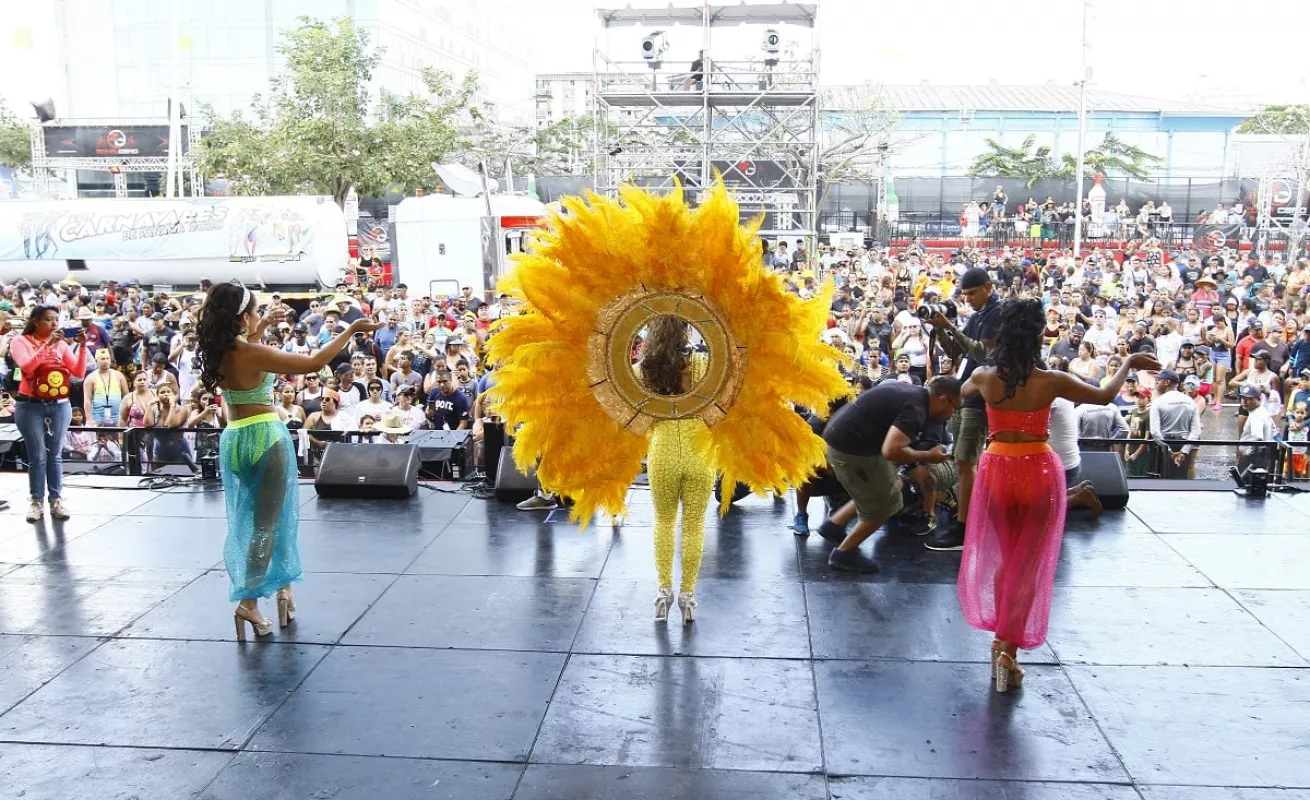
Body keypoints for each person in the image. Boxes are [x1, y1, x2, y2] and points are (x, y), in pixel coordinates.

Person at [958, 298, 1159, 693]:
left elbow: (962, 386)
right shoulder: (1050, 381)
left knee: (1005, 559)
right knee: (1027, 566)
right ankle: (1006, 651)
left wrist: (984, 361)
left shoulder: (984, 376)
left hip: (997, 468)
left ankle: (1001, 641)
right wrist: (1128, 364)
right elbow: (1104, 396)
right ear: (1037, 336)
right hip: (1036, 469)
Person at [194, 281, 379, 641]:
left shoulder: (218, 349)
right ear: (242, 316)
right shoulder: (251, 353)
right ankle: (249, 602)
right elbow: (315, 361)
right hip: (265, 436)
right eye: (254, 312)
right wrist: (352, 329)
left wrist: (260, 326)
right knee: (268, 525)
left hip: (235, 438)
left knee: (261, 519)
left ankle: (282, 590)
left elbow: (247, 352)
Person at [813, 377, 963, 572]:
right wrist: (928, 455)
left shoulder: (914, 394)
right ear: (943, 399)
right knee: (888, 504)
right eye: (955, 407)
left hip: (842, 441)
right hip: (850, 449)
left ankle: (834, 525)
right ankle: (844, 553)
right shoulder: (916, 409)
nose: (953, 414)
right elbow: (891, 450)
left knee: (885, 487)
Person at [637, 317, 717, 623]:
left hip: (662, 452)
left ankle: (663, 591)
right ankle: (688, 596)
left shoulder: (644, 371)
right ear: (685, 330)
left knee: (664, 522)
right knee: (694, 526)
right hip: (700, 452)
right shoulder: (704, 364)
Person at [923, 267, 1002, 551]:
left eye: (972, 293)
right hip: (966, 392)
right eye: (965, 294)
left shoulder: (997, 313)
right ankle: (968, 518)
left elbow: (984, 353)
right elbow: (959, 351)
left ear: (988, 287)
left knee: (966, 461)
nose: (967, 299)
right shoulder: (980, 315)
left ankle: (965, 527)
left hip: (979, 397)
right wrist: (941, 329)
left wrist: (951, 327)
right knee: (963, 461)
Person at [9, 305, 88, 521]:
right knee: (37, 455)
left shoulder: (62, 344)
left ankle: (56, 500)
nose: (54, 324)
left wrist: (81, 347)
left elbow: (78, 373)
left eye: (56, 319)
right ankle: (36, 501)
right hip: (30, 404)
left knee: (55, 454)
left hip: (59, 404)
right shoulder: (20, 341)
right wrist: (48, 346)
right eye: (49, 319)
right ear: (36, 321)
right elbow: (27, 368)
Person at [1150, 369, 1203, 479]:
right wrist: (1184, 451)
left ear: (1167, 382)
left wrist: (1168, 451)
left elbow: (1155, 431)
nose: (1155, 382)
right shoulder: (1190, 402)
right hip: (1184, 444)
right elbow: (1196, 431)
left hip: (1163, 445)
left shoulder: (1158, 402)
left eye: (1158, 380)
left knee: (1162, 483)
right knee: (1181, 483)